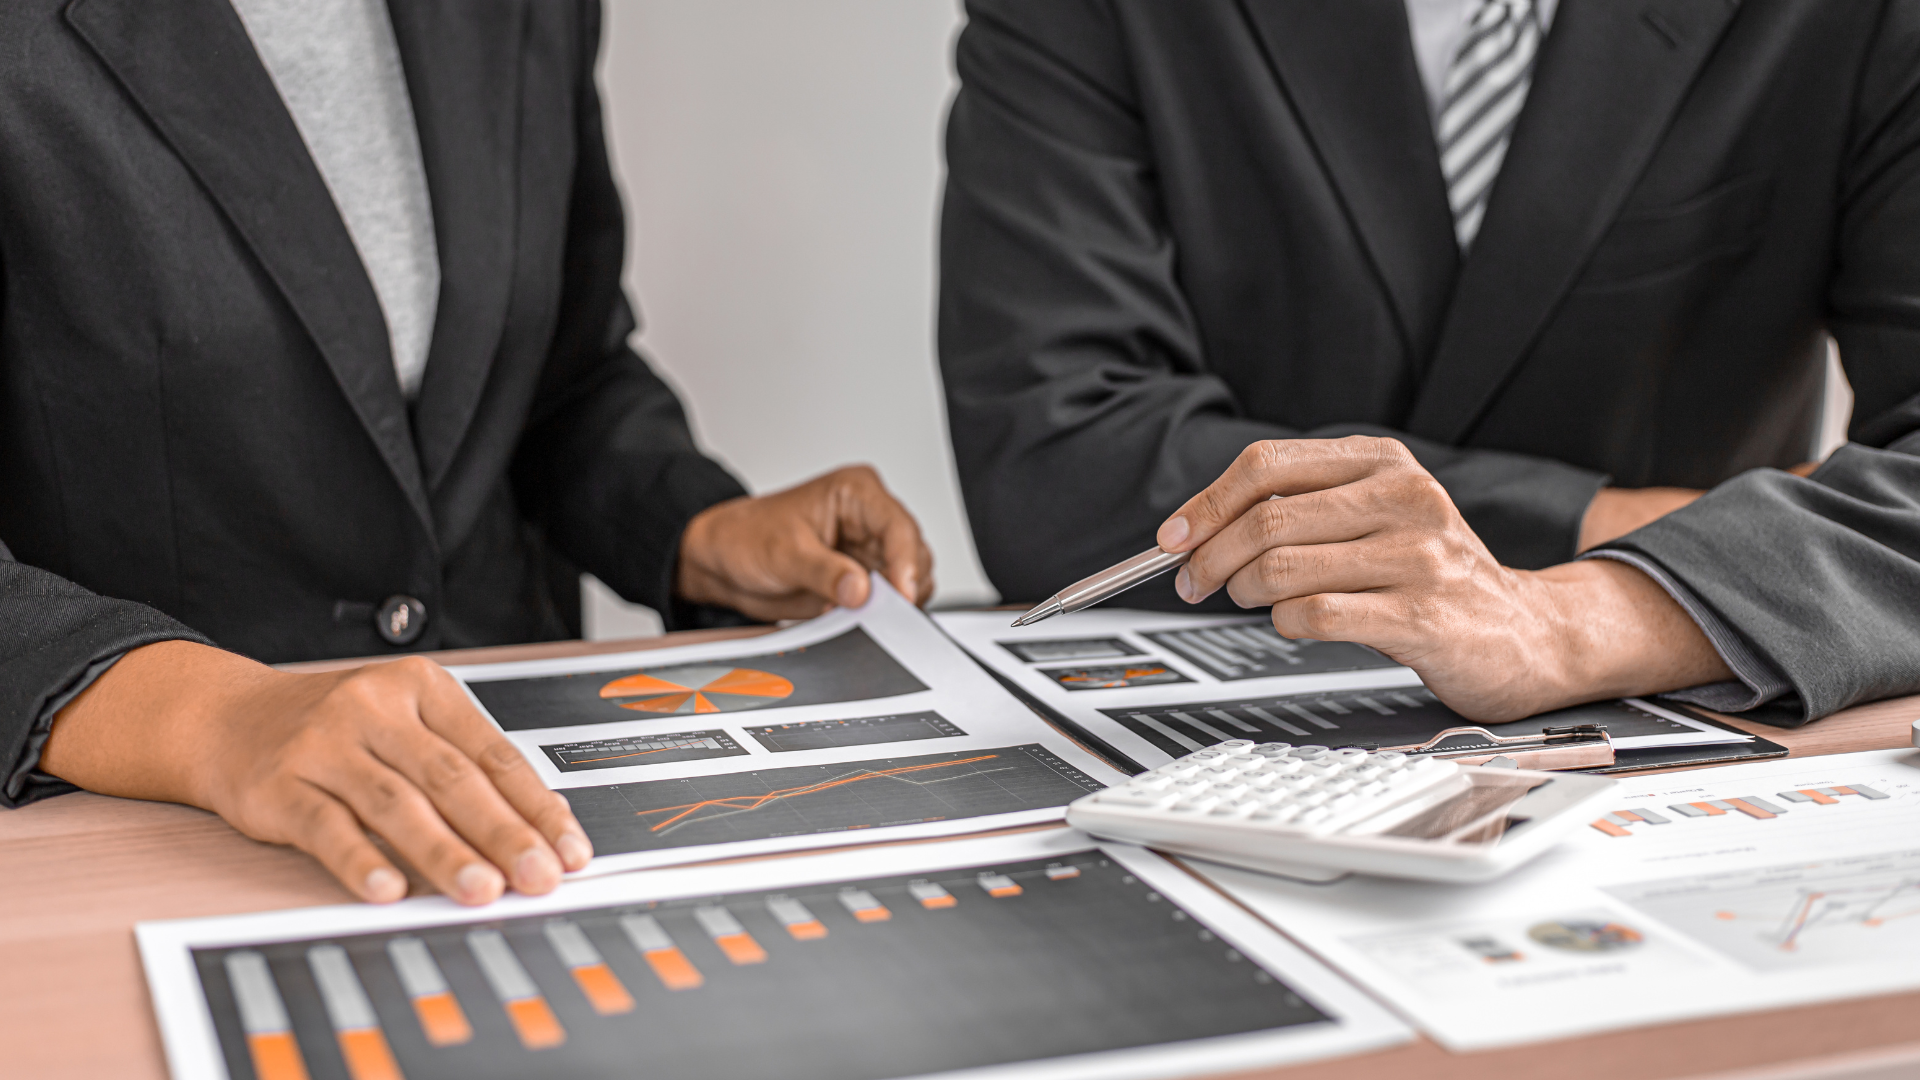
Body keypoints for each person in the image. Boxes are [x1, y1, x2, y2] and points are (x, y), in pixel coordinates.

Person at [0, 0, 934, 906]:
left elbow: (555, 373)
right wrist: (217, 721)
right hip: (149, 847)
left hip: (525, 809)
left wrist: (694, 525)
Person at [939, 0, 1920, 729]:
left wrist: (1567, 621)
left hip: (1698, 706)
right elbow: (1052, 463)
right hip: (1215, 724)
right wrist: (1617, 519)